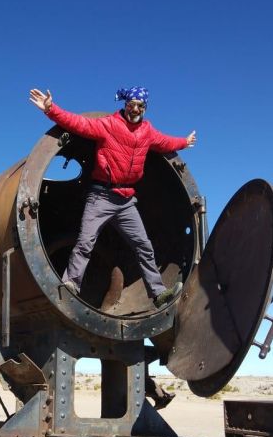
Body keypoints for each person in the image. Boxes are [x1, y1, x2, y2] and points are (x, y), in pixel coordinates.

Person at [29, 86, 196, 308]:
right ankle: (71, 283)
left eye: (139, 106)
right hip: (102, 195)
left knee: (143, 245)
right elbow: (78, 124)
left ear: (144, 108)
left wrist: (184, 142)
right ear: (125, 105)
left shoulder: (147, 132)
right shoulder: (109, 125)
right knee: (85, 241)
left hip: (126, 200)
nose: (134, 110)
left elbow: (165, 142)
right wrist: (51, 109)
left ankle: (157, 293)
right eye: (130, 105)